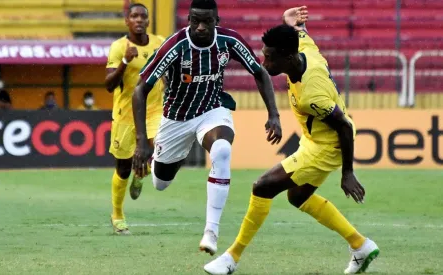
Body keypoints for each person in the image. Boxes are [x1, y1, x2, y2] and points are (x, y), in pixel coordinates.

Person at [204, 6, 379, 275]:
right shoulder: (304, 49)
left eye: (270, 59)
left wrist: (348, 173)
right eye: (265, 56)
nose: (265, 64)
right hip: (314, 140)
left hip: (326, 147)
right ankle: (360, 245)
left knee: (262, 187)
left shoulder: (312, 94)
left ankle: (231, 258)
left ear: (288, 57)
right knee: (298, 197)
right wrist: (288, 21)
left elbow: (343, 127)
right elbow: (300, 33)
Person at [132, 0, 282, 256]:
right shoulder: (175, 45)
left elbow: (259, 72)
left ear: (217, 20)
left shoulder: (230, 40)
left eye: (207, 22)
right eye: (195, 21)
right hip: (176, 119)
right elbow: (140, 89)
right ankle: (147, 169)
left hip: (212, 110)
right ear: (188, 19)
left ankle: (211, 231)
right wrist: (140, 142)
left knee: (222, 150)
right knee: (160, 183)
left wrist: (274, 114)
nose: (200, 27)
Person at [105, 3, 165, 235]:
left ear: (148, 22)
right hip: (125, 116)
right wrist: (126, 62)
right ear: (127, 21)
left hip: (154, 111)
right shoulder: (119, 47)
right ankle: (118, 214)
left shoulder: (159, 43)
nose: (139, 20)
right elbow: (109, 85)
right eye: (134, 16)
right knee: (123, 168)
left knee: (160, 149)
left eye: (143, 16)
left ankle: (143, 172)